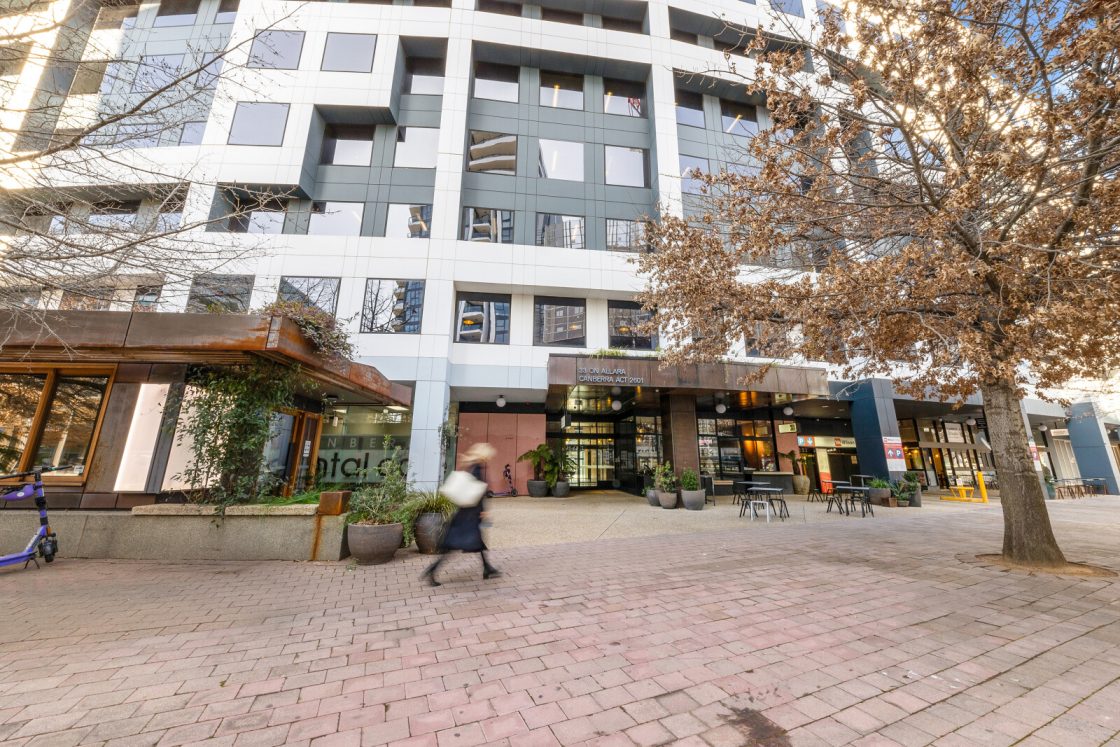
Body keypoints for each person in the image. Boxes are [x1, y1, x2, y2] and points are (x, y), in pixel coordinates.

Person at [421, 442, 501, 587]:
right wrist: (484, 510)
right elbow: (478, 491)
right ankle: (432, 570)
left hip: (466, 512)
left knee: (477, 543)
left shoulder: (471, 466)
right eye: (488, 455)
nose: (489, 458)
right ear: (484, 455)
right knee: (456, 545)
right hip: (469, 514)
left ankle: (487, 568)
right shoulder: (477, 468)